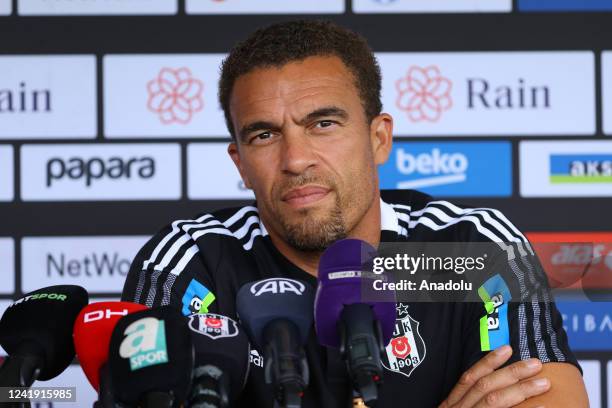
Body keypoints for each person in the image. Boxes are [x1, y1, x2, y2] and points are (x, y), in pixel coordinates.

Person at [122, 20, 588, 407]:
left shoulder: (469, 245)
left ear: (379, 138)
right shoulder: (191, 262)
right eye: (264, 135)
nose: (295, 159)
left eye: (323, 124)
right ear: (239, 162)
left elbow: (549, 395)